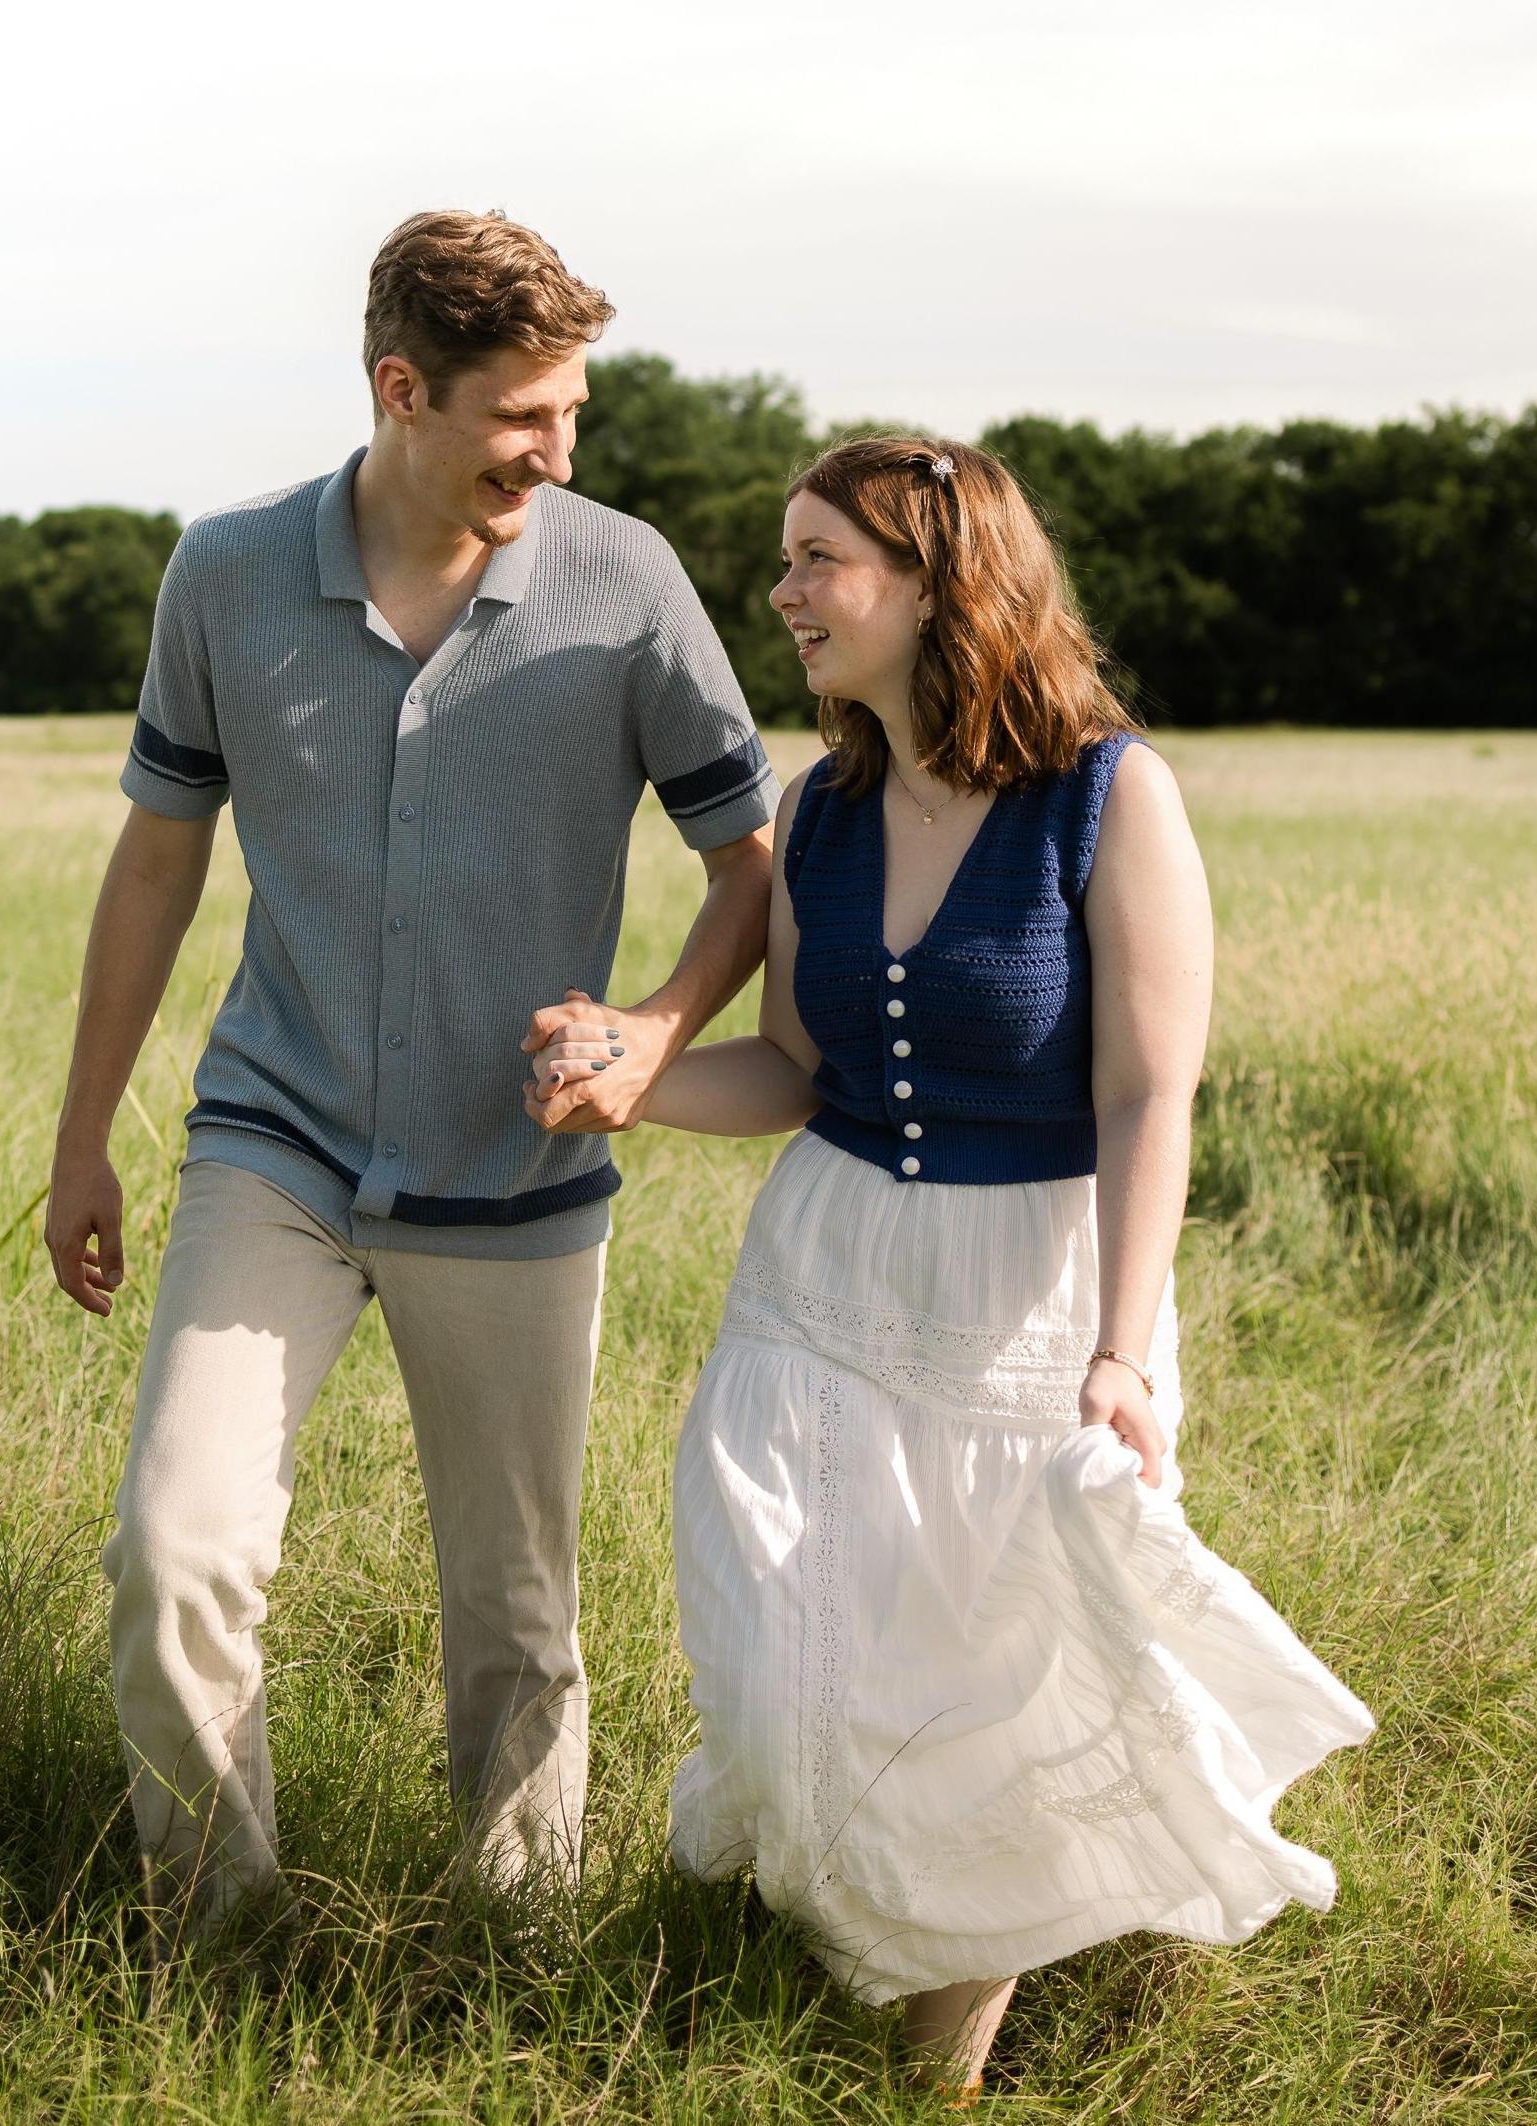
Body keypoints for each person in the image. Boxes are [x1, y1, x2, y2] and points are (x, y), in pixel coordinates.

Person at [528, 436, 1374, 2100]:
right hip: (826, 1282)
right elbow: (789, 1069)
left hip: (1033, 1299)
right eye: (782, 560)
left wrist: (1121, 1353)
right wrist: (623, 1080)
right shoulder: (818, 812)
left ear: (934, 580)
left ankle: (928, 2078)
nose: (779, 595)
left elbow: (1147, 1091)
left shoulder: (1107, 793)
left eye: (815, 559)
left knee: (988, 1694)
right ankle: (846, 1944)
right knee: (788, 1668)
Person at [47, 210, 777, 1953]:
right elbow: (155, 861)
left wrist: (658, 1029)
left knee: (516, 1618)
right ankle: (225, 1944)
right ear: (400, 389)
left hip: (514, 1176)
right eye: (523, 415)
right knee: (173, 1552)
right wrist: (82, 1135)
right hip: (274, 1145)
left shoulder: (627, 579)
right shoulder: (222, 573)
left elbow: (750, 862)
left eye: (572, 412)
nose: (558, 450)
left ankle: (521, 1956)